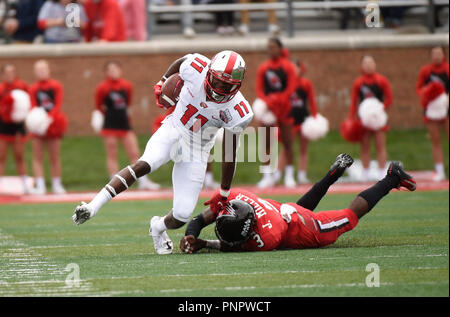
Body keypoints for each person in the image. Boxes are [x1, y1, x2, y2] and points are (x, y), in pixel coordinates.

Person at [72, 51, 253, 256]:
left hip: (198, 150)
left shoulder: (238, 110)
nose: (219, 89)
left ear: (237, 86)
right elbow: (182, 61)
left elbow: (229, 152)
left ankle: (157, 227)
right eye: (217, 81)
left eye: (226, 86)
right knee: (145, 164)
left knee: (182, 215)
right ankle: (92, 206)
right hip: (174, 129)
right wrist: (163, 80)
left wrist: (224, 192)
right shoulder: (197, 66)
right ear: (209, 72)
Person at [179, 154, 416, 253]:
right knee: (298, 208)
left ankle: (392, 177)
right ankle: (332, 175)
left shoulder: (268, 237)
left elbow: (230, 247)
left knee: (349, 216)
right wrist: (191, 235)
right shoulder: (235, 197)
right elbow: (200, 219)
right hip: (284, 210)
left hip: (302, 226)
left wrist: (203, 243)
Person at [94, 61, 160, 190]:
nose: (113, 72)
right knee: (112, 153)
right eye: (110, 70)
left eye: (116, 69)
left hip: (124, 123)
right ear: (106, 72)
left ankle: (143, 180)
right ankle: (114, 183)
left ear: (120, 70)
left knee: (134, 152)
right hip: (110, 124)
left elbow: (127, 102)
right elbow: (98, 106)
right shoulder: (102, 87)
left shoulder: (126, 85)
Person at [253, 37, 297, 188]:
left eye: (273, 47)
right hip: (268, 109)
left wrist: (278, 100)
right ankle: (267, 176)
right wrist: (267, 102)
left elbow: (291, 88)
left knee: (287, 142)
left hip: (284, 108)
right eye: (268, 47)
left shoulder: (288, 66)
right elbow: (259, 89)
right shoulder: (263, 68)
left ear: (280, 48)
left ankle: (289, 176)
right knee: (266, 142)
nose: (270, 50)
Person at [348, 55, 393, 182]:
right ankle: (366, 173)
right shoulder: (358, 82)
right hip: (364, 120)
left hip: (378, 119)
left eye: (371, 63)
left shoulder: (381, 80)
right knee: (365, 146)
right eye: (366, 63)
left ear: (375, 64)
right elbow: (354, 102)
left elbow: (389, 99)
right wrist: (351, 119)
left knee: (380, 146)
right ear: (362, 66)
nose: (368, 66)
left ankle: (381, 173)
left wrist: (378, 108)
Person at [28, 60, 67, 195]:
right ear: (35, 72)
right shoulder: (33, 88)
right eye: (38, 70)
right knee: (37, 156)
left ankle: (57, 184)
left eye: (43, 69)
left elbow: (58, 104)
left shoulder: (56, 86)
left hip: (53, 123)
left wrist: (49, 119)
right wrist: (38, 121)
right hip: (38, 126)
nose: (41, 72)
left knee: (54, 156)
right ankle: (40, 185)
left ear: (49, 70)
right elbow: (33, 106)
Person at [276, 59, 317, 184]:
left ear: (301, 69)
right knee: (287, 147)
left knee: (303, 148)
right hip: (290, 119)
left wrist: (315, 117)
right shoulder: (285, 84)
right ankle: (277, 175)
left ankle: (301, 175)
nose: (294, 70)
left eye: (296, 68)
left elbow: (311, 101)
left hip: (303, 118)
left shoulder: (306, 83)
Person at [416, 46, 449, 182]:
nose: (437, 56)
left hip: (447, 108)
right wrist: (427, 94)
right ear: (430, 56)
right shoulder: (426, 71)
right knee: (435, 141)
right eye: (434, 53)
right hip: (431, 110)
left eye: (439, 53)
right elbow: (419, 88)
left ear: (444, 55)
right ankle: (440, 171)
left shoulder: (447, 69)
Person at [0, 63, 30, 193]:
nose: (10, 75)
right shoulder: (1, 89)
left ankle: (25, 185)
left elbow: (29, 102)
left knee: (19, 155)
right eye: (7, 72)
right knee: (1, 156)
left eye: (12, 72)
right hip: (4, 125)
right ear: (3, 75)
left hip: (18, 126)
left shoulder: (22, 86)